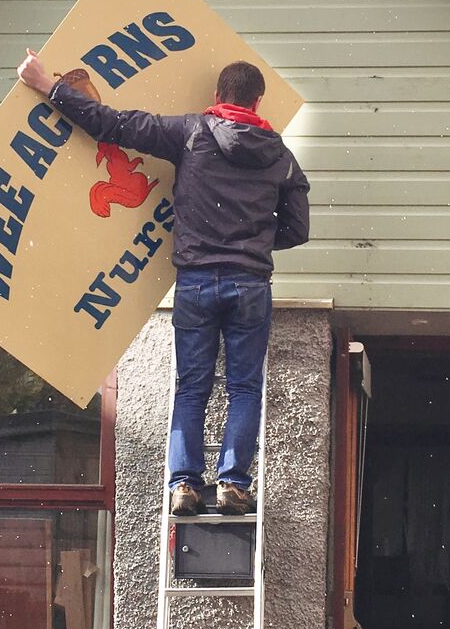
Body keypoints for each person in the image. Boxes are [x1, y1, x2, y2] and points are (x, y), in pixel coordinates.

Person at [17, 49, 310, 516]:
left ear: (218, 95)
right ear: (257, 103)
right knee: (244, 388)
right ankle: (233, 483)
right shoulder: (280, 157)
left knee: (192, 387)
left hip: (196, 281)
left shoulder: (190, 133)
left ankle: (185, 487)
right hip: (250, 285)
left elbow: (111, 124)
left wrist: (48, 86)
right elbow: (298, 229)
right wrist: (250, 242)